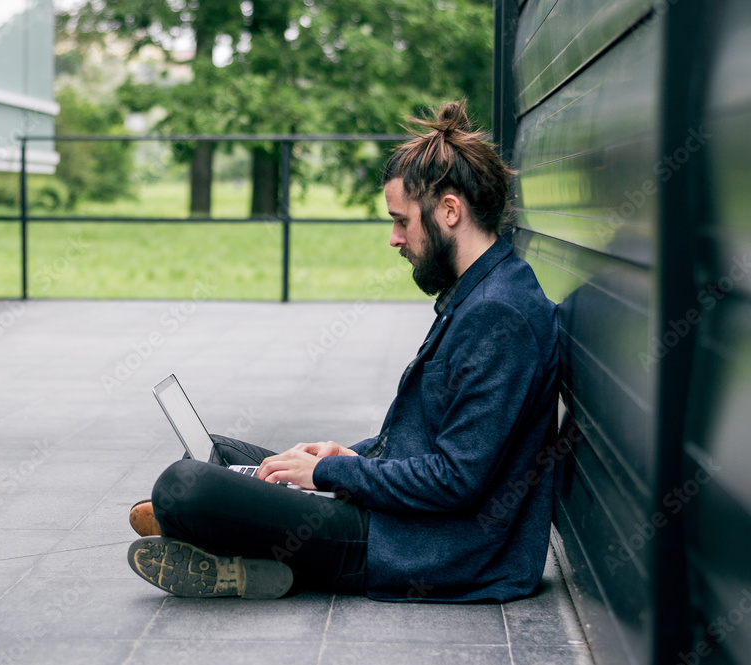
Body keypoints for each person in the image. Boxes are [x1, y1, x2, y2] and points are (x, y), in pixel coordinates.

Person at [126, 100, 560, 602]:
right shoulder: (484, 293)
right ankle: (237, 555)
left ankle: (217, 538)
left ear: (449, 210)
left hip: (416, 548)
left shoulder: (500, 316)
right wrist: (345, 455)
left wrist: (331, 474)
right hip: (397, 519)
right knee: (220, 452)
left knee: (186, 483)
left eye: (402, 221)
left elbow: (457, 479)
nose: (394, 239)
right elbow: (423, 439)